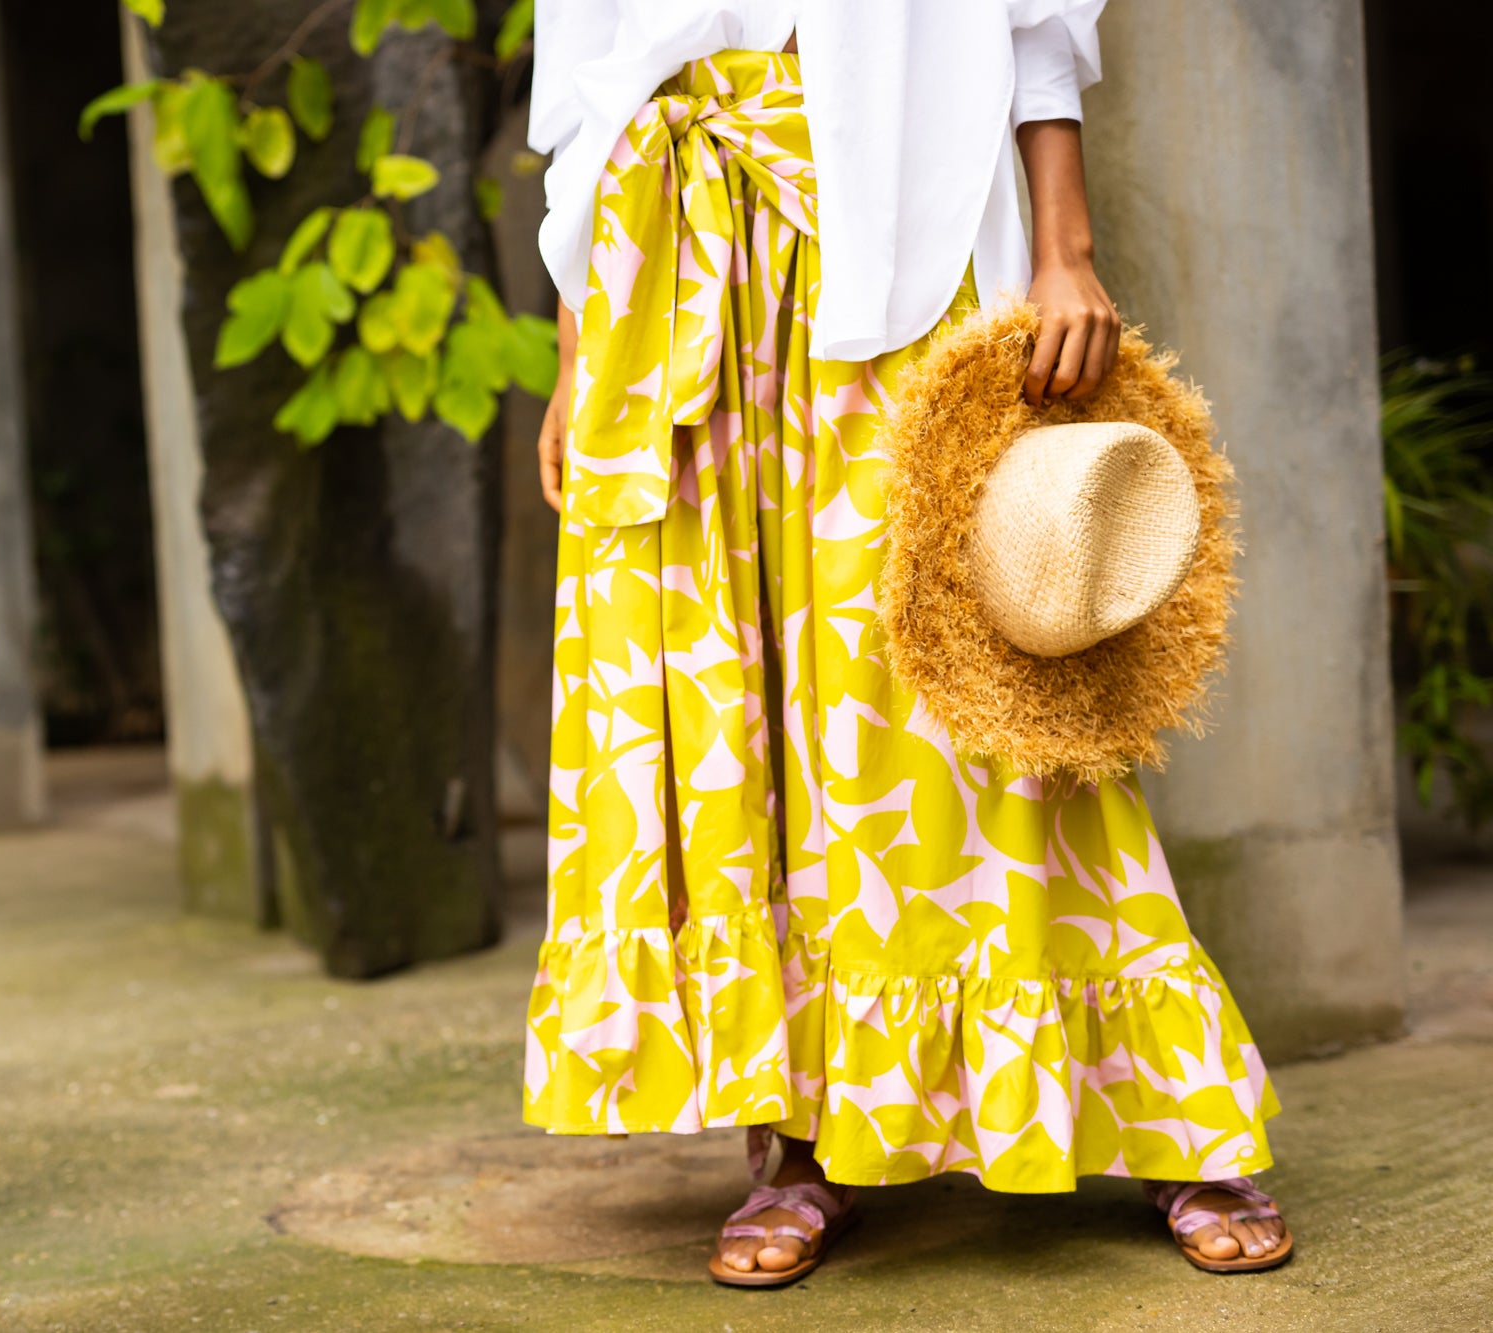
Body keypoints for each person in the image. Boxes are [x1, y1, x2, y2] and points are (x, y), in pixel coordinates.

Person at [524, 0, 1292, 1286]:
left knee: (974, 702)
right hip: (667, 277)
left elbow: (1033, 23)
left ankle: (1165, 1110)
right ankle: (799, 1140)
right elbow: (578, 93)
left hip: (904, 238)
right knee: (737, 708)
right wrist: (576, 354)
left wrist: (1064, 252)